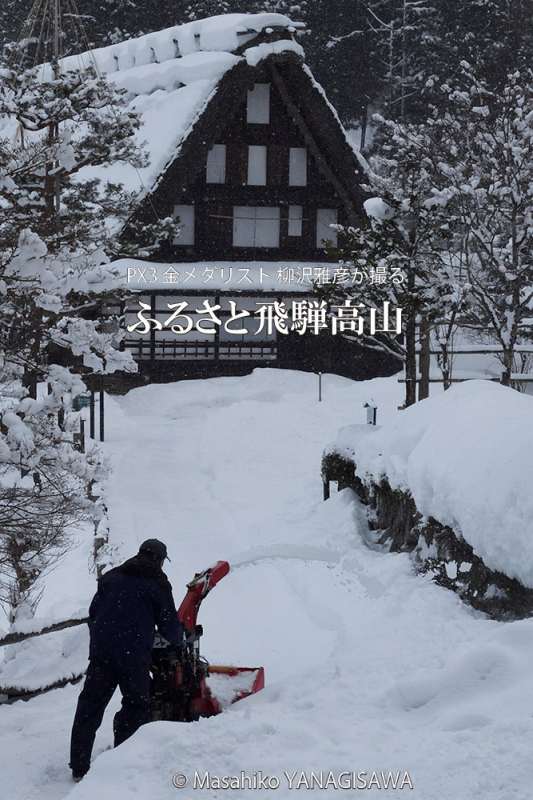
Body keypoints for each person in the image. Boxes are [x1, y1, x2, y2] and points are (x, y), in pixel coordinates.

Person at [69, 539, 184, 781]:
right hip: (132, 657)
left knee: (90, 706)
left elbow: (94, 613)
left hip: (101, 653)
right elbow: (170, 628)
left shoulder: (111, 577)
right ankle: (121, 760)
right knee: (136, 704)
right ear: (160, 560)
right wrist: (178, 640)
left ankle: (79, 766)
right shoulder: (158, 583)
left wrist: (105, 637)